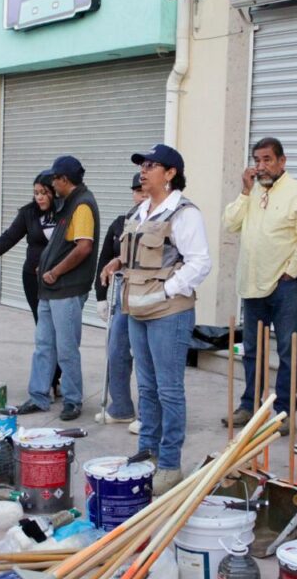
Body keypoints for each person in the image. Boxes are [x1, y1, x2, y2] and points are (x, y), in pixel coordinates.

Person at [100, 144, 211, 495]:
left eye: (151, 166)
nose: (143, 171)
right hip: (137, 309)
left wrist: (166, 291)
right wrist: (117, 261)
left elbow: (200, 263)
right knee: (146, 388)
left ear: (170, 173)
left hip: (168, 313)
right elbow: (138, 252)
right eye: (142, 166)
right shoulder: (141, 210)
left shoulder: (184, 213)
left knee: (169, 390)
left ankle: (170, 464)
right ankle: (147, 452)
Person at [223, 137, 297, 427]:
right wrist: (244, 191)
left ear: (281, 161)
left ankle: (284, 411)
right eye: (257, 160)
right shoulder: (251, 192)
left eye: (267, 160)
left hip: (284, 285)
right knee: (252, 349)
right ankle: (250, 406)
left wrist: (291, 271)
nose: (261, 166)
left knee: (287, 350)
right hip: (252, 284)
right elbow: (230, 223)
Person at [17, 155, 100, 421]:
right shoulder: (68, 203)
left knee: (66, 348)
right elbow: (60, 244)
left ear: (64, 179)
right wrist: (46, 266)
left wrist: (55, 271)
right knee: (44, 345)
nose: (51, 184)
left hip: (66, 288)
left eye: (54, 179)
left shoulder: (82, 205)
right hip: (50, 289)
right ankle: (39, 396)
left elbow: (84, 247)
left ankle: (73, 401)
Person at [0, 170, 62, 399]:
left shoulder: (65, 211)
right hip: (33, 279)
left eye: (44, 192)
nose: (39, 197)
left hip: (61, 279)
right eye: (36, 193)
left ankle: (58, 377)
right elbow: (7, 240)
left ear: (54, 192)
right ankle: (51, 380)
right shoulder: (28, 214)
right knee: (44, 329)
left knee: (61, 331)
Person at [94, 172, 147, 431]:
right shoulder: (120, 223)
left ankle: (148, 416)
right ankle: (121, 408)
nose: (142, 195)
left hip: (149, 294)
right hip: (122, 294)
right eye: (137, 191)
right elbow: (104, 260)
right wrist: (100, 298)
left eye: (145, 190)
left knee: (146, 357)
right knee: (116, 351)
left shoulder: (162, 220)